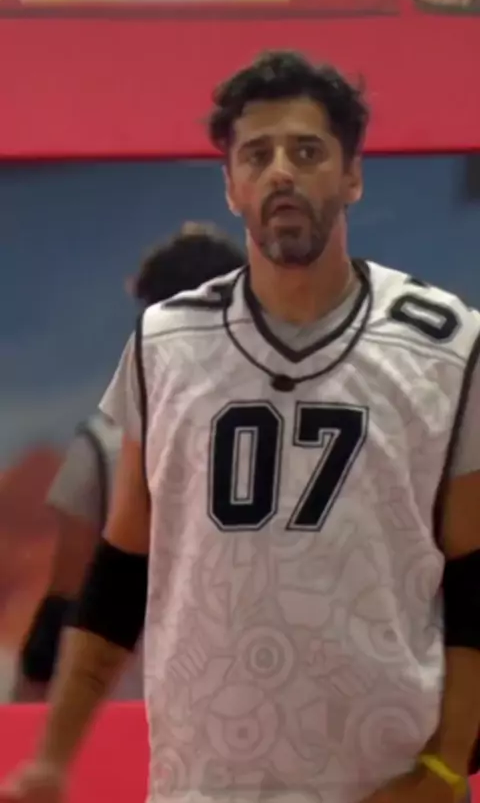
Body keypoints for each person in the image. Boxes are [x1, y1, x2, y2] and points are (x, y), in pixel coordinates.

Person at [2, 50, 480, 803]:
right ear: (231, 186)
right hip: (206, 781)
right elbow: (119, 571)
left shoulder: (446, 341)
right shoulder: (164, 342)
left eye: (307, 151)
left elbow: (474, 577)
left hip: (382, 779)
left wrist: (450, 766)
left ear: (352, 176)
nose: (281, 172)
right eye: (257, 155)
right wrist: (53, 757)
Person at [12, 221, 245, 705]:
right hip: (259, 702)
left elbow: (65, 597)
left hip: (135, 705)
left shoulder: (107, 445)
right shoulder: (297, 434)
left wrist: (25, 708)